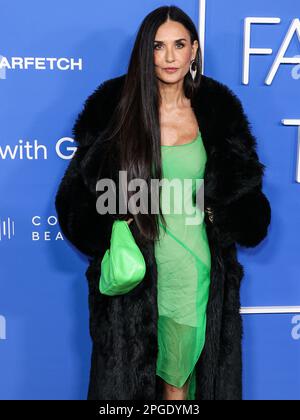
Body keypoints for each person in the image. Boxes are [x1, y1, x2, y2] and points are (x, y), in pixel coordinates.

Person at [55, 5, 271, 400]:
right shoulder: (114, 110)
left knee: (182, 388)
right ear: (144, 52)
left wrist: (219, 206)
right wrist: (116, 210)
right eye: (158, 46)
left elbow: (252, 212)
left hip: (197, 274)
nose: (170, 57)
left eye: (179, 45)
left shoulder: (219, 113)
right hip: (134, 283)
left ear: (194, 50)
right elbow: (74, 206)